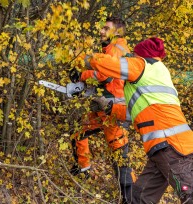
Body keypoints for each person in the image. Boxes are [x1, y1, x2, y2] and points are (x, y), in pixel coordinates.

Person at [82, 37, 193, 203]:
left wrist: (84, 59)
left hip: (171, 147)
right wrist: (109, 107)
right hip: (164, 149)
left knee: (189, 193)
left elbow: (110, 64)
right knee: (139, 198)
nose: (131, 57)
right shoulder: (159, 73)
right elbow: (138, 113)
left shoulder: (142, 65)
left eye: (134, 54)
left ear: (141, 55)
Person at [69, 16, 135, 204]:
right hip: (103, 108)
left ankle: (131, 198)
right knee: (79, 133)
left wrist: (81, 74)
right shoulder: (111, 48)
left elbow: (105, 75)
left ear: (117, 32)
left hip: (114, 111)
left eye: (106, 28)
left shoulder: (117, 49)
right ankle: (83, 169)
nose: (101, 31)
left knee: (120, 157)